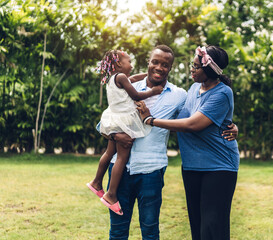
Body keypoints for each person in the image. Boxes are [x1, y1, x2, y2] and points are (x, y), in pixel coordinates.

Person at [136, 45, 239, 240]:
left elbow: (193, 124)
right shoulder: (193, 89)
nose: (191, 70)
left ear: (208, 71)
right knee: (197, 226)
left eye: (196, 67)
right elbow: (179, 121)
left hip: (218, 167)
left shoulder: (223, 93)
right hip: (191, 166)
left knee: (212, 228)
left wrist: (150, 120)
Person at [87, 50, 163, 215]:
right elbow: (135, 95)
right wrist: (153, 91)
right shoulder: (121, 77)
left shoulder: (113, 78)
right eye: (129, 61)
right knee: (122, 156)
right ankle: (111, 194)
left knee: (109, 152)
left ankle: (96, 182)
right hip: (124, 122)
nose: (132, 65)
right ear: (119, 64)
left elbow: (134, 78)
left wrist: (149, 73)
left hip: (114, 119)